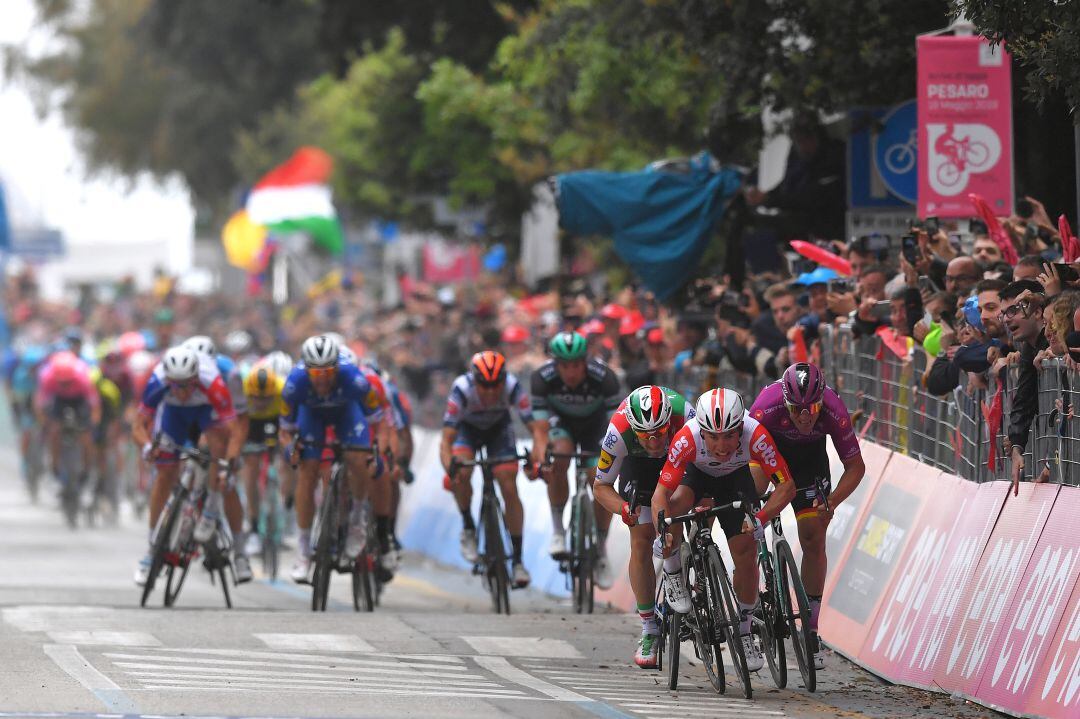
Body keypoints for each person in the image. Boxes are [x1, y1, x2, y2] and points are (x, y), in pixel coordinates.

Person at [652, 388, 796, 673]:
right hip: (697, 477)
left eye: (730, 435)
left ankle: (743, 630)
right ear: (701, 431)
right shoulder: (687, 439)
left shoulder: (755, 434)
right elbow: (660, 496)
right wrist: (663, 533)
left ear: (740, 428)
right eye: (714, 436)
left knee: (745, 550)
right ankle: (673, 571)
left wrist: (761, 518)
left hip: (735, 480)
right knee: (675, 508)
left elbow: (786, 486)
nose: (722, 445)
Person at [749, 363, 865, 669]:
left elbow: (856, 467)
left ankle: (811, 628)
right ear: (785, 401)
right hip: (768, 456)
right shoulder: (765, 406)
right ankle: (753, 592)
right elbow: (745, 454)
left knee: (814, 538)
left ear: (822, 401)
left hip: (809, 465)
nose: (804, 416)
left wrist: (834, 501)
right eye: (796, 408)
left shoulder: (833, 409)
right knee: (752, 493)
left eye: (812, 408)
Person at [592, 385, 694, 668]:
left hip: (679, 458)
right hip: (638, 468)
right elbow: (601, 487)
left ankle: (683, 571)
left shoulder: (685, 415)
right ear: (633, 428)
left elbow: (706, 463)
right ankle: (649, 628)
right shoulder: (618, 432)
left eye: (660, 433)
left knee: (678, 509)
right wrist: (624, 510)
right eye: (645, 435)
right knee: (641, 539)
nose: (653, 442)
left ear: (669, 423)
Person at [131, 346, 244, 586]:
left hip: (206, 412)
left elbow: (234, 430)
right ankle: (152, 551)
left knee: (216, 447)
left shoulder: (212, 382)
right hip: (175, 415)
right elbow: (139, 424)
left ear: (196, 378)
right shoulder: (158, 380)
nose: (181, 391)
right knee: (165, 473)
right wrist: (148, 448)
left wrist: (228, 464)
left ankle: (211, 509)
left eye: (187, 385)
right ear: (168, 380)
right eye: (175, 385)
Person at [281, 334, 382, 583]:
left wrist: (372, 451)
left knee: (357, 459)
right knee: (307, 469)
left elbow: (375, 420)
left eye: (328, 372)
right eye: (316, 374)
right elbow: (286, 430)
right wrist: (290, 450)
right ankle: (304, 550)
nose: (323, 379)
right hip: (311, 416)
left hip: (347, 414)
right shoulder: (294, 384)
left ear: (338, 367)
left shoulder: (356, 381)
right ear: (306, 370)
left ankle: (357, 519)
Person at [441, 350, 543, 589]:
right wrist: (450, 470)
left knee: (508, 483)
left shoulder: (512, 386)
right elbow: (446, 441)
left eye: (495, 384)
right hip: (467, 430)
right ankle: (468, 526)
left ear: (503, 380)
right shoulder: (462, 389)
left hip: (499, 430)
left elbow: (537, 430)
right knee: (462, 472)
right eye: (484, 385)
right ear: (474, 380)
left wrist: (536, 460)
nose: (489, 391)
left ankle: (517, 560)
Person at [529, 332, 621, 587]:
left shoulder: (605, 378)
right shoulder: (541, 378)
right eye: (565, 366)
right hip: (562, 426)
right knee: (559, 457)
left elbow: (617, 427)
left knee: (600, 480)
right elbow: (539, 430)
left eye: (576, 365)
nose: (571, 372)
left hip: (598, 428)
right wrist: (540, 458)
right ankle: (558, 530)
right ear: (556, 364)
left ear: (585, 361)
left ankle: (601, 549)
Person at [239, 361, 288, 558]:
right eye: (256, 398)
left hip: (277, 420)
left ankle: (285, 501)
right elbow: (237, 427)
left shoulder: (283, 390)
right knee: (250, 467)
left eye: (265, 398)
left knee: (288, 456)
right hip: (251, 423)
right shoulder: (241, 391)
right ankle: (252, 529)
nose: (260, 402)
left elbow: (290, 426)